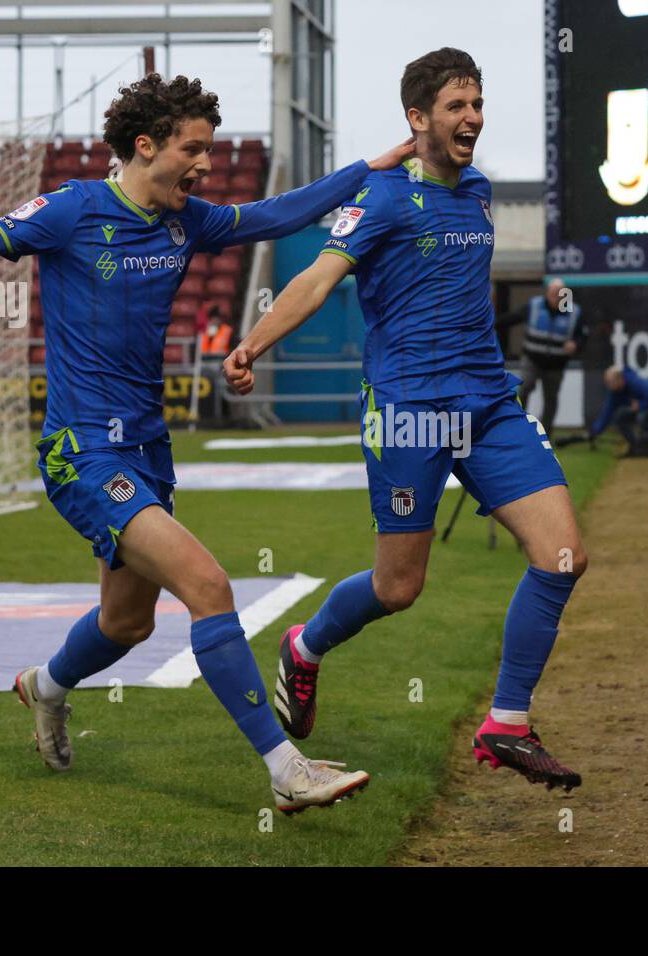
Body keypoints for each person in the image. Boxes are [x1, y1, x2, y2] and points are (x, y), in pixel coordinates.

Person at [0, 73, 416, 814]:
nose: (205, 165)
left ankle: (46, 687)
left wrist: (362, 172)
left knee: (126, 623)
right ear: (146, 146)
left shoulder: (190, 222)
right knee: (210, 587)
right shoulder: (71, 211)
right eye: (194, 149)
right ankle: (287, 770)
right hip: (82, 454)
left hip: (148, 451)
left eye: (211, 151)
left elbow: (278, 214)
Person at [224, 48, 586, 791]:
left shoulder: (480, 188)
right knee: (398, 589)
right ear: (418, 117)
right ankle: (305, 646)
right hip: (409, 415)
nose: (473, 118)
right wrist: (253, 344)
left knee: (563, 557)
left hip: (487, 406)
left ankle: (507, 724)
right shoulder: (383, 198)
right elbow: (319, 278)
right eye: (456, 106)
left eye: (478, 104)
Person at [496, 278, 589, 438]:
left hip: (556, 365)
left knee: (551, 399)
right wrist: (488, 325)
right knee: (526, 386)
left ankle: (545, 435)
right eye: (553, 294)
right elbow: (510, 318)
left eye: (560, 294)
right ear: (547, 293)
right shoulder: (534, 306)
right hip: (532, 359)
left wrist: (576, 344)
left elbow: (584, 335)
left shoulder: (574, 313)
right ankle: (516, 426)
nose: (556, 298)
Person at [587, 365, 648, 454]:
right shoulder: (614, 392)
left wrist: (641, 405)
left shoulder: (635, 382)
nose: (607, 385)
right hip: (646, 408)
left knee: (642, 417)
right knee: (620, 417)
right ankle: (635, 447)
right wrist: (595, 431)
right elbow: (607, 414)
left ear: (619, 379)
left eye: (609, 382)